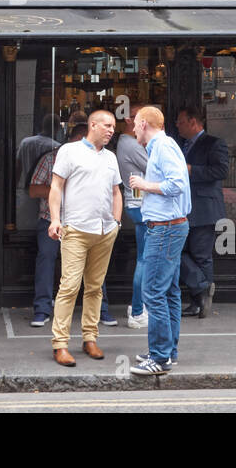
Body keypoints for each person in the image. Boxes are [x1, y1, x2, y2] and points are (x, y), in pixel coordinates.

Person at [47, 110, 123, 366]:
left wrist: (117, 221)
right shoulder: (69, 151)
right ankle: (60, 343)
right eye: (107, 125)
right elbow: (56, 186)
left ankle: (90, 338)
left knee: (95, 287)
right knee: (69, 287)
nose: (112, 130)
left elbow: (116, 191)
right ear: (92, 125)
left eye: (113, 126)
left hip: (104, 229)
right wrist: (56, 219)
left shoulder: (111, 157)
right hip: (76, 228)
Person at [127, 106, 191, 376]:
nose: (132, 130)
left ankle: (160, 357)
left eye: (134, 124)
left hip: (165, 229)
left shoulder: (162, 146)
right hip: (171, 227)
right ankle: (168, 351)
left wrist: (144, 185)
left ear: (144, 124)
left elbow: (177, 184)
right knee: (169, 292)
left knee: (152, 291)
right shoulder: (163, 146)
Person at [27, 123, 83, 327]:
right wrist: (60, 188)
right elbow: (33, 190)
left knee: (92, 266)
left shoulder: (95, 159)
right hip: (51, 218)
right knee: (46, 260)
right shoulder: (51, 158)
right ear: (77, 139)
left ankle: (101, 309)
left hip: (82, 220)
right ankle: (42, 309)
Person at [176, 105, 228, 318]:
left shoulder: (214, 143)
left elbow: (221, 170)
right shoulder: (180, 145)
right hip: (183, 208)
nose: (177, 125)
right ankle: (201, 290)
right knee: (179, 251)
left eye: (181, 121)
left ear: (193, 122)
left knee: (201, 255)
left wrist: (191, 170)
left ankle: (201, 301)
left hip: (204, 208)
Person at [116, 115, 149, 329]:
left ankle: (139, 307)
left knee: (144, 259)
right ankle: (138, 310)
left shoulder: (124, 143)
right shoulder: (131, 144)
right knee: (145, 260)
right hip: (141, 205)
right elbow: (158, 170)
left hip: (136, 203)